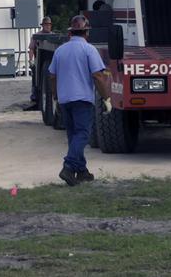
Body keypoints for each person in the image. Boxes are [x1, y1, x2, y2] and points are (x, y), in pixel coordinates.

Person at [47, 15, 110, 186]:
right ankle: (68, 167)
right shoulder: (89, 50)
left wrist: (55, 96)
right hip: (82, 99)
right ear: (87, 32)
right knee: (82, 134)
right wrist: (106, 98)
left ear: (70, 33)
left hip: (65, 99)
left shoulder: (60, 51)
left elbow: (52, 76)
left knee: (73, 135)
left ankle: (81, 171)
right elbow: (98, 76)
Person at [26, 17, 53, 110]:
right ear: (43, 25)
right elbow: (31, 49)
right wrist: (31, 61)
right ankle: (34, 96)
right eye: (46, 25)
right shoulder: (36, 36)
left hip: (50, 61)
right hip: (38, 61)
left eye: (49, 25)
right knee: (35, 78)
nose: (48, 26)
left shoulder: (53, 36)